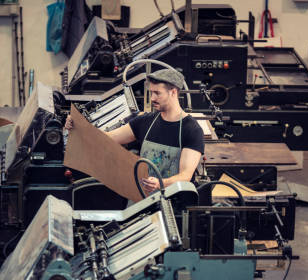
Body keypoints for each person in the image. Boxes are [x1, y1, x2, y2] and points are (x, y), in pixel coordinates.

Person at [65, 67, 204, 195]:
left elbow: (185, 176)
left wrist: (161, 184)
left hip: (171, 203)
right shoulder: (145, 121)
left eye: (157, 93)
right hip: (141, 199)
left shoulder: (191, 130)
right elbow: (107, 138)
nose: (153, 98)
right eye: (151, 93)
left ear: (173, 92)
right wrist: (78, 126)